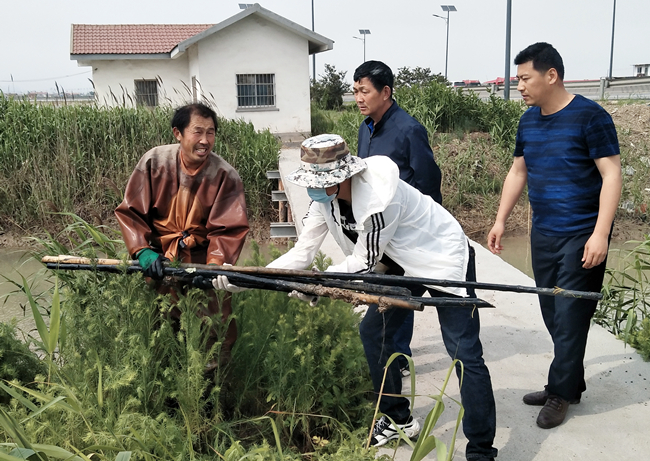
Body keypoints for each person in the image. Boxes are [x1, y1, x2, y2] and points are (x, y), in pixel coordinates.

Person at [219, 134, 498, 460]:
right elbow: (302, 254)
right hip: (396, 262)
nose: (313, 189)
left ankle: (481, 451)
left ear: (342, 177)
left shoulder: (380, 197)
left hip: (440, 256)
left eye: (319, 182)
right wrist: (249, 279)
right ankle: (397, 419)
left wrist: (317, 285)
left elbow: (363, 264)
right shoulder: (324, 200)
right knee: (374, 333)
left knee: (463, 351)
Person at [487, 42, 622, 429]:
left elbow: (612, 174)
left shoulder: (590, 117)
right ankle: (570, 383)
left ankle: (559, 393)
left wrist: (601, 234)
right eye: (517, 79)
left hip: (581, 234)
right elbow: (518, 171)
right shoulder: (528, 121)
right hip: (543, 233)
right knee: (553, 314)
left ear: (551, 75)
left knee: (569, 316)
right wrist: (500, 221)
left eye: (525, 78)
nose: (519, 87)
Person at [115, 102, 249, 367]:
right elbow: (131, 212)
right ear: (178, 133)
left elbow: (229, 230)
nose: (204, 140)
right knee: (158, 326)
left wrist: (213, 268)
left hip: (202, 260)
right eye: (197, 132)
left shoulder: (225, 175)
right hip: (160, 260)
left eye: (210, 132)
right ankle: (165, 379)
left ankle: (212, 383)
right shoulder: (154, 162)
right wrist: (141, 251)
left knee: (215, 330)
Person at [353, 60, 443, 377]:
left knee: (399, 294)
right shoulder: (366, 128)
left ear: (386, 92)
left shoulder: (409, 130)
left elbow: (429, 183)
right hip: (379, 228)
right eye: (356, 91)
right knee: (381, 296)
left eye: (365, 91)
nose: (359, 98)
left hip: (407, 230)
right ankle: (387, 357)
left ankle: (399, 359)